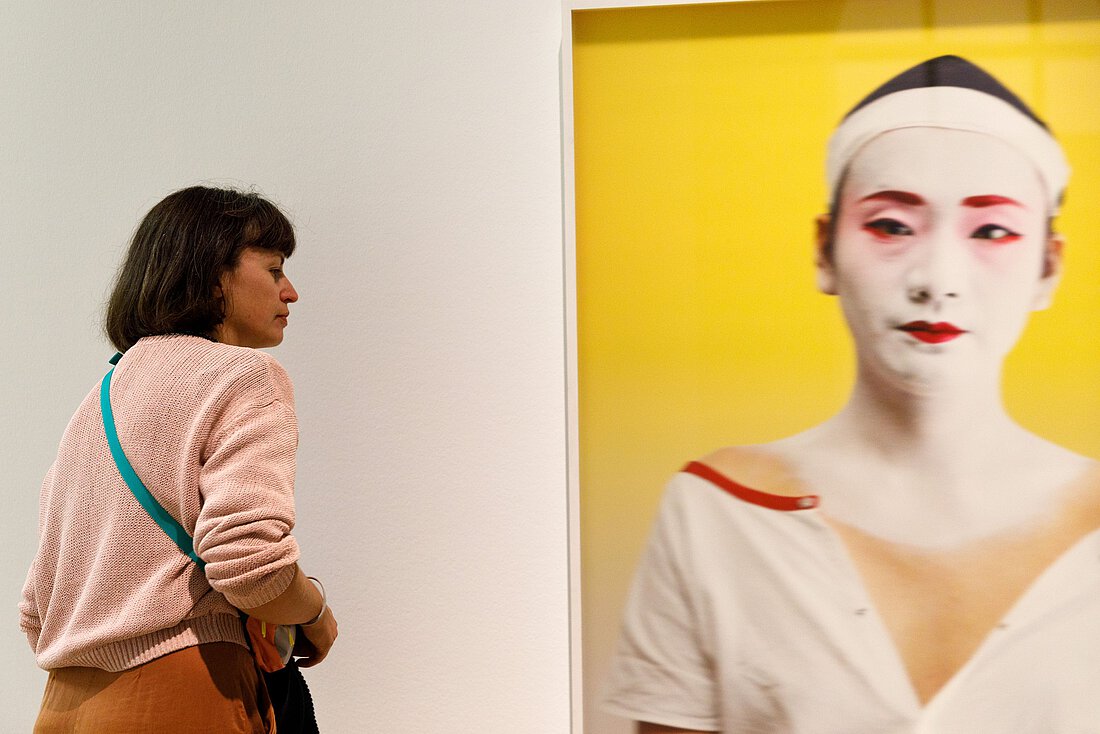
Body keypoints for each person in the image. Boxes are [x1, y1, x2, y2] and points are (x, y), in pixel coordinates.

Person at [602, 56, 1100, 733]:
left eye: (992, 231)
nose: (937, 279)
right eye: (891, 225)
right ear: (823, 250)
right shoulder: (718, 512)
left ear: (1048, 267)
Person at [19, 185, 338, 733]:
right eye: (273, 270)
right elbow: (251, 564)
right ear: (215, 276)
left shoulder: (99, 400)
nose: (291, 292)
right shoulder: (244, 377)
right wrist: (315, 613)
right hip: (183, 695)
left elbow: (36, 608)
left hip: (64, 708)